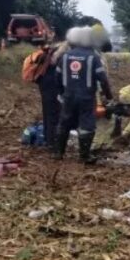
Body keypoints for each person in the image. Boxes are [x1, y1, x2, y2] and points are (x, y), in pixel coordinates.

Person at [53, 27, 113, 164]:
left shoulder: (66, 56)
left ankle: (58, 153)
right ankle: (84, 156)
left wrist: (62, 92)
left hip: (68, 96)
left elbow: (57, 76)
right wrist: (109, 96)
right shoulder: (93, 57)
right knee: (87, 125)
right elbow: (103, 79)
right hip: (86, 97)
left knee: (64, 122)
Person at [22, 43, 61, 151]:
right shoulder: (51, 67)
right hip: (51, 88)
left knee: (47, 112)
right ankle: (52, 143)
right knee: (53, 113)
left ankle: (48, 139)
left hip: (44, 86)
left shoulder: (43, 68)